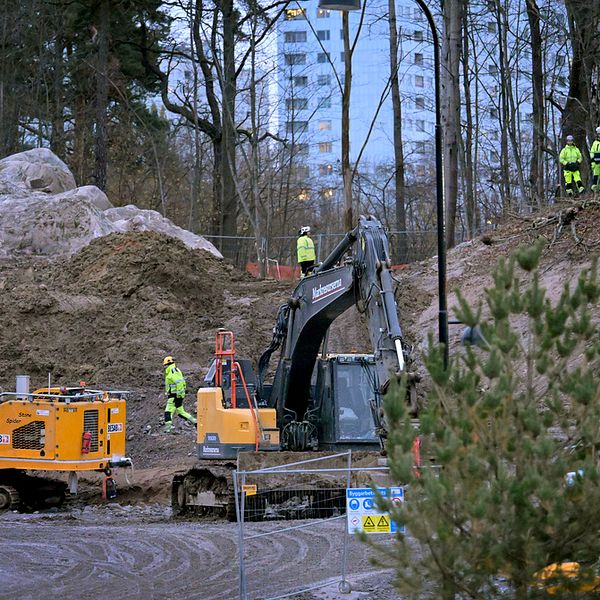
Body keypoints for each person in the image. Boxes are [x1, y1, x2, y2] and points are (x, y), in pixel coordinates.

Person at [163, 356, 196, 433]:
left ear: (167, 364)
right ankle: (195, 422)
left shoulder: (172, 372)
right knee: (181, 412)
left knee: (168, 412)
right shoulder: (176, 370)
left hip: (174, 396)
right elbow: (182, 382)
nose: (165, 367)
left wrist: (178, 395)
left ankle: (168, 429)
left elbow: (179, 383)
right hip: (177, 396)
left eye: (165, 365)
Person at [591, 127, 600, 192]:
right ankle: (594, 189)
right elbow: (592, 153)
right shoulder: (595, 143)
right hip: (596, 162)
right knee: (596, 176)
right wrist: (593, 162)